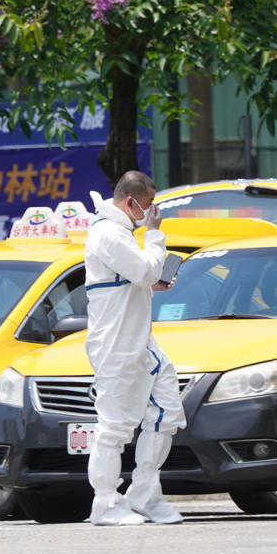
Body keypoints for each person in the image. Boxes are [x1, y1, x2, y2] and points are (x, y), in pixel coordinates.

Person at [84, 171, 185, 526]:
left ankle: (144, 492)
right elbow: (141, 270)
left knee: (167, 411)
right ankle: (105, 502)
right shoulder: (109, 234)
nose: (151, 213)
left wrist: (148, 282)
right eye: (148, 206)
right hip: (116, 344)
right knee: (114, 427)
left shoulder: (117, 234)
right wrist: (156, 236)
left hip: (139, 340)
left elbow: (134, 279)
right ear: (130, 202)